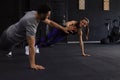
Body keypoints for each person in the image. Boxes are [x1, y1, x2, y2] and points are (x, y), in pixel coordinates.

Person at [0, 4, 70, 70]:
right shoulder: (31, 23)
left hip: (9, 32)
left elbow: (50, 22)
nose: (48, 17)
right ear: (42, 14)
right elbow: (31, 46)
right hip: (9, 39)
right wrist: (32, 64)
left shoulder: (34, 13)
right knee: (3, 52)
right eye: (47, 15)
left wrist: (63, 28)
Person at [26, 17, 90, 56]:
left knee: (51, 43)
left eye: (84, 24)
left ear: (85, 26)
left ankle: (36, 46)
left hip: (62, 35)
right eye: (82, 22)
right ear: (80, 20)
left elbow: (81, 42)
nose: (82, 24)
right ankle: (30, 46)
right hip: (59, 29)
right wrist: (68, 27)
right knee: (47, 37)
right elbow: (67, 23)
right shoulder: (74, 22)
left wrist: (83, 52)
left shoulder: (79, 31)